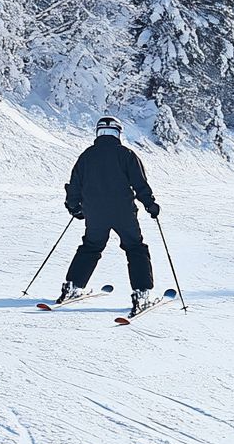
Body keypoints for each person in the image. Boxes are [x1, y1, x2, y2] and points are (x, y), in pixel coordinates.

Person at [61, 116, 160, 314]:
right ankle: (141, 292)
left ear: (99, 132)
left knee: (90, 246)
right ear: (117, 133)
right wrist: (150, 205)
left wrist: (74, 207)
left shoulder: (87, 156)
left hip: (95, 213)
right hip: (123, 212)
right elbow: (140, 184)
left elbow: (74, 185)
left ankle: (72, 286)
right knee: (135, 247)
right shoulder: (126, 155)